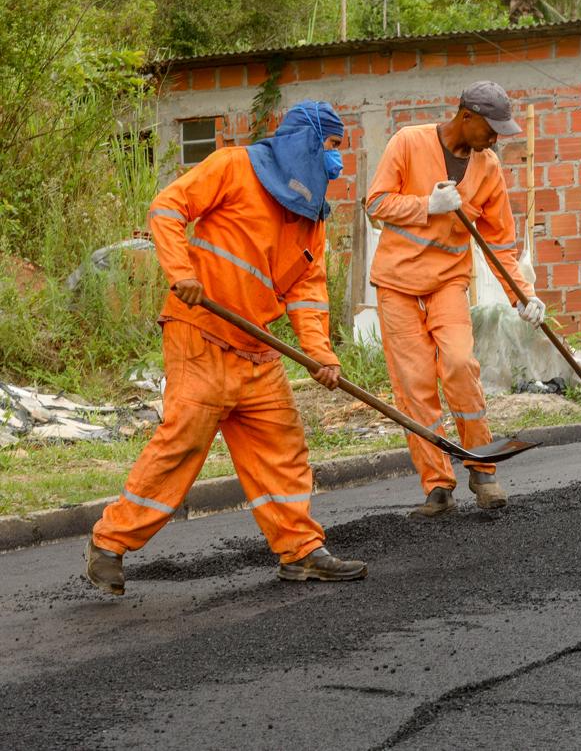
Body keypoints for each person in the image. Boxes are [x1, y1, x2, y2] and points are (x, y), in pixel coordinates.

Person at [86, 101, 367, 595]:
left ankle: (301, 552)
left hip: (257, 348)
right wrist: (181, 273)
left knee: (283, 449)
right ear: (305, 140)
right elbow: (167, 208)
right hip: (201, 333)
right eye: (331, 146)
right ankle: (109, 544)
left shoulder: (312, 218)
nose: (335, 160)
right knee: (184, 442)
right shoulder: (235, 166)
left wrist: (321, 353)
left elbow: (307, 291)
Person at [366, 81, 544, 518]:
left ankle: (482, 469)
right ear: (466, 116)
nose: (495, 138)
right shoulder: (408, 142)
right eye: (491, 128)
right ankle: (437, 486)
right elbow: (376, 202)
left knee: (461, 364)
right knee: (415, 386)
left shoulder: (488, 167)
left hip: (447, 282)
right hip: (397, 285)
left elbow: (500, 242)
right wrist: (426, 204)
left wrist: (522, 296)